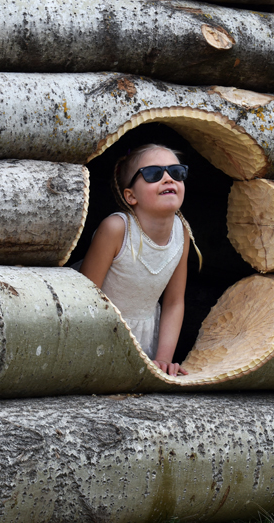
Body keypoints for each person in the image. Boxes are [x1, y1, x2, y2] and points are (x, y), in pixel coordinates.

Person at [79, 144, 201, 376]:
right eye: (154, 174)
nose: (168, 178)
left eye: (176, 172)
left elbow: (174, 302)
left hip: (146, 340)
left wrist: (164, 359)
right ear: (131, 196)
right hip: (97, 335)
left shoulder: (181, 232)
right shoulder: (116, 229)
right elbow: (84, 299)